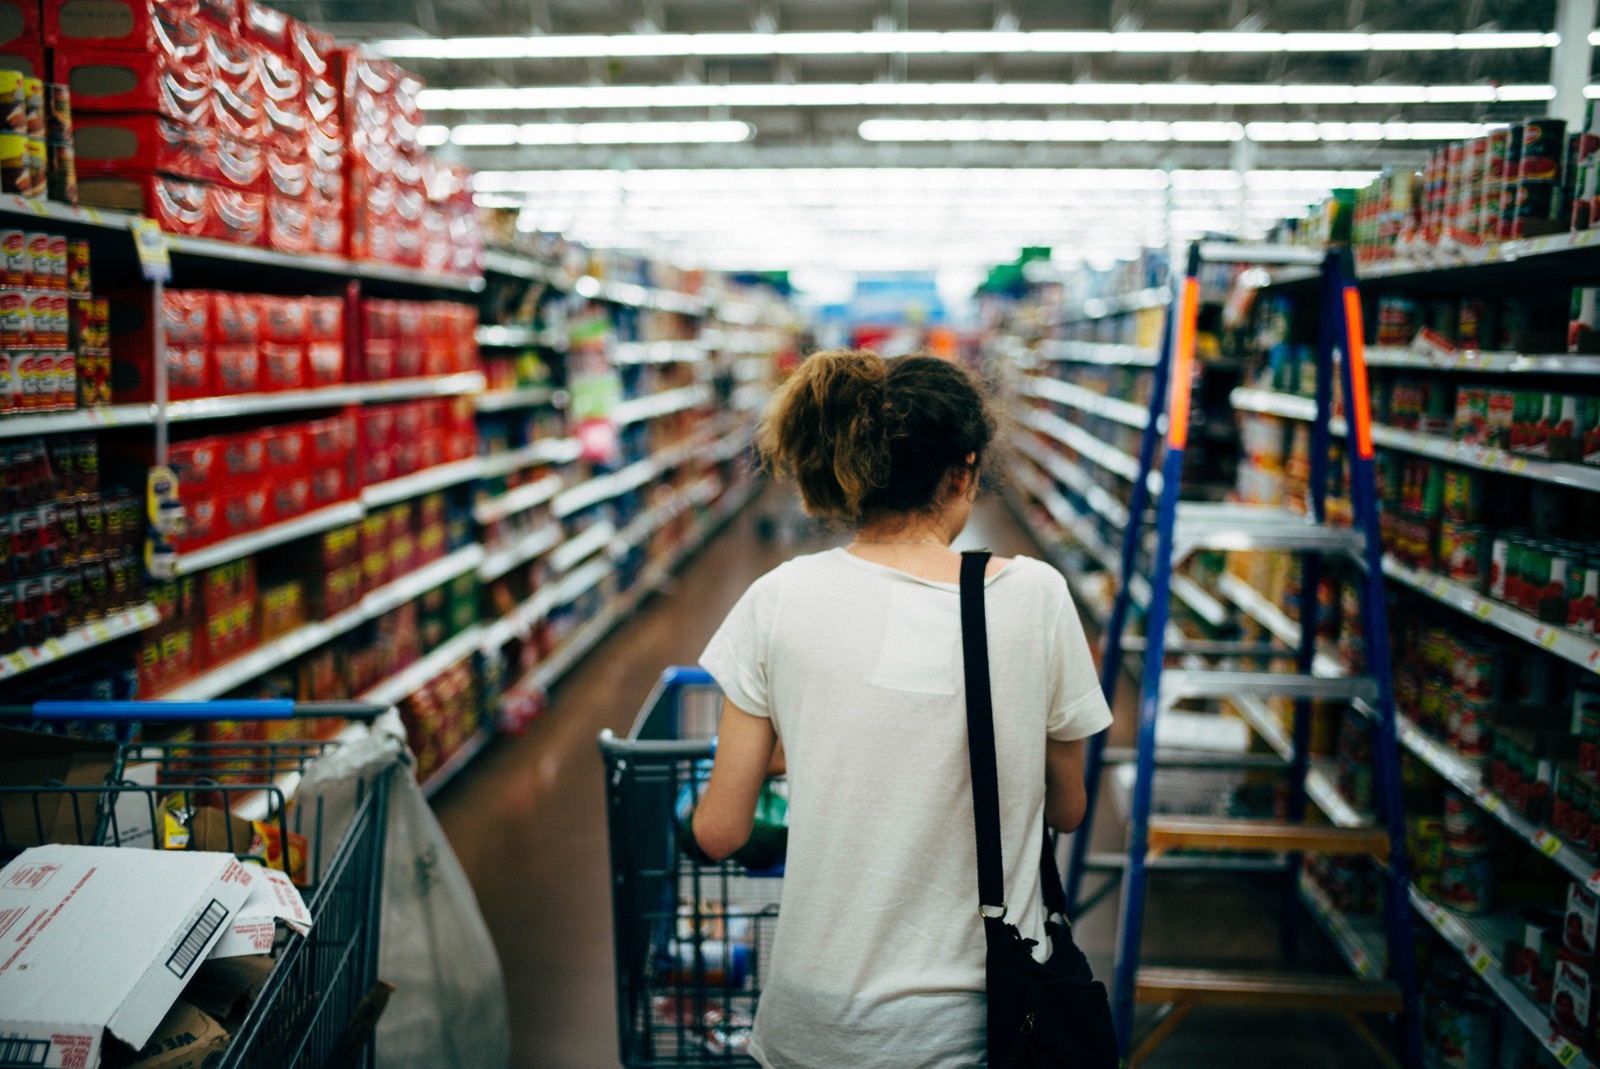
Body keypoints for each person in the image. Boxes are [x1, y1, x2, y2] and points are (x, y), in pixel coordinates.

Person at [692, 348, 1112, 1069]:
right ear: (964, 470)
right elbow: (1068, 807)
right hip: (979, 1018)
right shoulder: (1035, 597)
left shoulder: (778, 597)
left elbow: (721, 830)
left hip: (812, 1019)